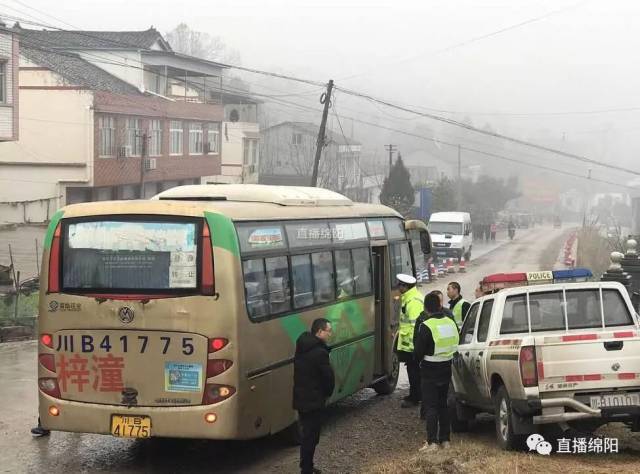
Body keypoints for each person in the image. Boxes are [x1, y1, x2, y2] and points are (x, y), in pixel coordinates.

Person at [415, 292, 460, 452]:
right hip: (446, 368)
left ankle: (432, 442)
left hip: (429, 370)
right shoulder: (450, 323)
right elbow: (456, 343)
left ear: (426, 308)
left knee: (431, 406)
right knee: (443, 405)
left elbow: (418, 352)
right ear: (440, 306)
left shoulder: (426, 326)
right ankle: (446, 440)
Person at [293, 318, 335, 474]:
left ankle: (306, 466)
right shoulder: (320, 353)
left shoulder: (302, 346)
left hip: (301, 398)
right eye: (328, 331)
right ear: (319, 332)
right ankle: (306, 469)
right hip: (314, 400)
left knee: (306, 435)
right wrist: (327, 393)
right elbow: (328, 377)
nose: (330, 334)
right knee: (312, 437)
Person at [395, 273, 424, 408]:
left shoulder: (413, 301)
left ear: (405, 287)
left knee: (414, 373)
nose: (398, 287)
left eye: (399, 285)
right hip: (410, 345)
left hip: (412, 346)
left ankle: (415, 397)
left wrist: (414, 348)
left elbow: (415, 326)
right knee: (412, 371)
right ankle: (415, 395)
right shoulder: (410, 297)